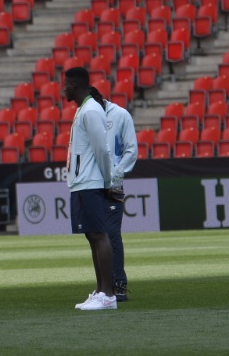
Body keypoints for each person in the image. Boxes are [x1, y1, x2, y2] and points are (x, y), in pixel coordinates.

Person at [64, 68, 117, 311]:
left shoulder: (91, 110)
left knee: (99, 234)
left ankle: (108, 294)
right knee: (92, 236)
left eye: (66, 84)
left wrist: (108, 182)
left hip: (93, 183)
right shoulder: (83, 110)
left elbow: (102, 150)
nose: (63, 89)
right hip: (82, 182)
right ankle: (100, 291)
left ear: (74, 85)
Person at [90, 85, 138, 302]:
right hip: (90, 184)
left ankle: (118, 285)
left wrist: (116, 175)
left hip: (112, 184)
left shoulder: (120, 115)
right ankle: (104, 288)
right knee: (95, 235)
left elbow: (131, 150)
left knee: (111, 233)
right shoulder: (85, 115)